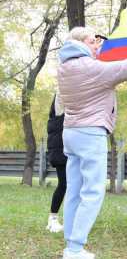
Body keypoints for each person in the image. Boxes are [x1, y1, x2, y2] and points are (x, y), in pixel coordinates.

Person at [58, 26, 127, 259]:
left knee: (74, 190)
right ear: (79, 43)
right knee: (92, 191)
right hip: (90, 133)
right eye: (92, 41)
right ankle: (74, 248)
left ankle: (71, 244)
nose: (97, 44)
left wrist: (96, 51)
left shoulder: (64, 67)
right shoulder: (89, 67)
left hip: (71, 132)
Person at [46, 93, 67, 233]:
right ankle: (52, 219)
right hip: (60, 153)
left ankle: (55, 218)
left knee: (66, 184)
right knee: (64, 184)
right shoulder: (59, 113)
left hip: (62, 152)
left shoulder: (57, 116)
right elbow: (60, 93)